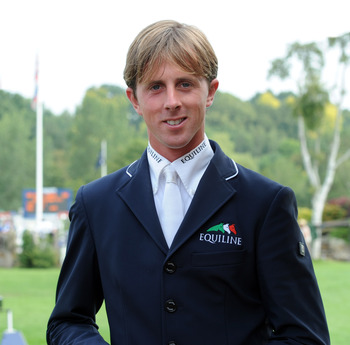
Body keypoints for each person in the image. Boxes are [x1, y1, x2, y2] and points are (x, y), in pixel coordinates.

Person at [47, 20, 330, 345]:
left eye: (184, 84)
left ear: (210, 91)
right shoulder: (96, 204)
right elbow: (67, 322)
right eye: (155, 87)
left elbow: (305, 337)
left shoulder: (265, 202)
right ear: (134, 100)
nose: (171, 101)